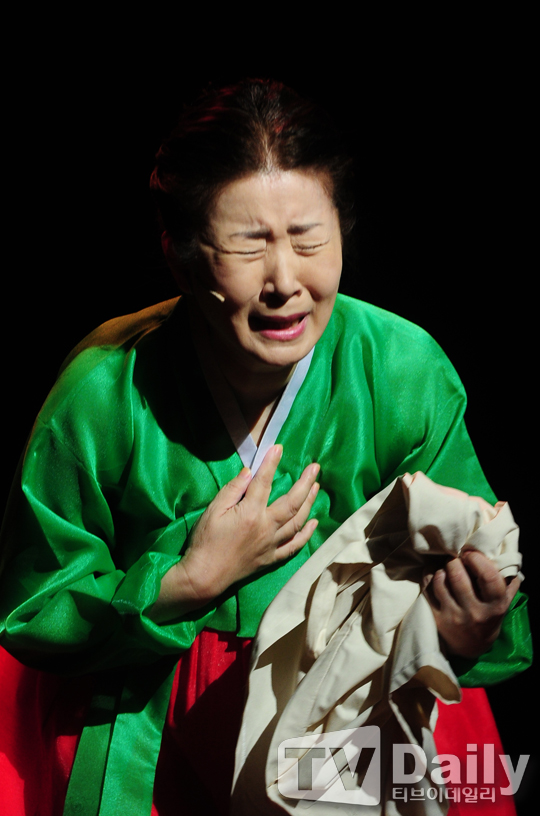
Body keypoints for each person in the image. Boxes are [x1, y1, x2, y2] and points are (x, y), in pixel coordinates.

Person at [0, 79, 531, 816]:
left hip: (355, 714)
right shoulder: (106, 386)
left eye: (309, 239)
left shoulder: (402, 369)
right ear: (181, 253)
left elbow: (475, 583)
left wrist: (465, 628)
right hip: (152, 734)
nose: (285, 281)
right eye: (248, 245)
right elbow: (35, 605)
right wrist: (187, 582)